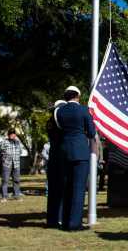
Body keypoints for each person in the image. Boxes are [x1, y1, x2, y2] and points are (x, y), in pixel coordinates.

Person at [54, 86, 96, 231]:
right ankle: (74, 224)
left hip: (64, 151)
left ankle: (65, 222)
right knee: (78, 189)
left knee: (67, 188)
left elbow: (60, 128)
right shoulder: (84, 110)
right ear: (77, 96)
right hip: (80, 152)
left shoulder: (59, 111)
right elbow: (91, 133)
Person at [46, 100, 66, 228]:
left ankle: (52, 219)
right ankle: (60, 218)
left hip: (53, 158)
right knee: (62, 190)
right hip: (61, 157)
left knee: (53, 191)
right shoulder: (61, 124)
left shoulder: (50, 122)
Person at [0, 128, 23, 202]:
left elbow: (20, 151)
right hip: (6, 164)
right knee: (5, 181)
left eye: (13, 134)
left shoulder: (18, 142)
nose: (12, 135)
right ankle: (4, 197)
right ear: (8, 135)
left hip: (16, 164)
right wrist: (2, 159)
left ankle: (16, 196)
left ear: (15, 135)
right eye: (11, 134)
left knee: (16, 180)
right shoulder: (3, 142)